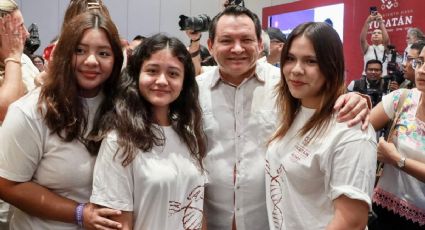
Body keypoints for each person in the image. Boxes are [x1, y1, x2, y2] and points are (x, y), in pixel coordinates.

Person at [196, 5, 370, 230]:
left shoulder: (287, 85)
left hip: (269, 221)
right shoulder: (191, 92)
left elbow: (326, 103)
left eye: (246, 40)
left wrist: (357, 98)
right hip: (212, 221)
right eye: (226, 40)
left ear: (260, 44)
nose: (237, 48)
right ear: (211, 45)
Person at [0, 11, 124, 229]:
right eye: (80, 50)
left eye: (104, 53)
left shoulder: (124, 108)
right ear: (64, 53)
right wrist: (79, 213)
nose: (91, 61)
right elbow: (8, 185)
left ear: (116, 59)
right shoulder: (30, 111)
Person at [265, 22, 376, 230]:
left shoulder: (350, 128)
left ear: (330, 65)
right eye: (290, 59)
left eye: (310, 61)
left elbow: (351, 222)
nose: (296, 70)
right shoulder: (291, 111)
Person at [90, 33, 207, 229]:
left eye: (173, 73)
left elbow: (196, 205)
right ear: (136, 75)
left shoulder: (188, 133)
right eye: (152, 71)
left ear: (184, 81)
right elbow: (118, 224)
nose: (162, 81)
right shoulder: (120, 140)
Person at [368, 44, 425, 230]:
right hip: (383, 210)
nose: (422, 70)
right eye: (421, 62)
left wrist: (397, 159)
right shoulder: (403, 98)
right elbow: (361, 127)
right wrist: (356, 102)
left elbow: (394, 158)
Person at [0, 0, 39, 122]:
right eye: (19, 28)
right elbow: (8, 110)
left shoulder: (24, 59)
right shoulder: (16, 57)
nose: (27, 34)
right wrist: (13, 56)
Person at [360, 11, 390, 76]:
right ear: (371, 38)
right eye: (374, 33)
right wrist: (367, 22)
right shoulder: (367, 48)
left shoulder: (386, 48)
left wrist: (380, 22)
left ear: (383, 37)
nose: (376, 34)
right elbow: (362, 40)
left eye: (379, 33)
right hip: (366, 79)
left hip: (382, 79)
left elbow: (386, 40)